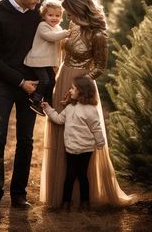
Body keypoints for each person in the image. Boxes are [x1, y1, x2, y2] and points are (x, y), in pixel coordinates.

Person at [40, 0, 137, 208]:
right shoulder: (73, 27)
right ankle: (61, 195)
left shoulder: (98, 35)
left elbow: (100, 67)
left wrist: (79, 84)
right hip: (62, 77)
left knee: (80, 131)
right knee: (62, 129)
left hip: (82, 86)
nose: (67, 17)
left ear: (79, 9)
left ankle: (83, 195)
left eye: (70, 13)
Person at [0, 0, 46, 212]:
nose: (37, 3)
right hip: (2, 86)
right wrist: (20, 81)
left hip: (30, 87)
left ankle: (19, 194)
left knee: (26, 140)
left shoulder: (36, 14)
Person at [41, 75, 105, 211]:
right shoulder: (69, 108)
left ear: (82, 92)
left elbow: (96, 128)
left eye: (73, 89)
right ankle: (66, 203)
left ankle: (85, 203)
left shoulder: (91, 110)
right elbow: (58, 119)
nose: (70, 91)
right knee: (70, 176)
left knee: (82, 176)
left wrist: (100, 143)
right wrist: (48, 109)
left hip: (86, 149)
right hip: (71, 149)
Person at [24, 0, 70, 116]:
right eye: (50, 15)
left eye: (57, 15)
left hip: (47, 62)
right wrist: (66, 33)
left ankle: (48, 102)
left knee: (51, 81)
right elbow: (51, 37)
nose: (54, 18)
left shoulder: (58, 28)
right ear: (44, 15)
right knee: (44, 80)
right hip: (37, 60)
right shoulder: (43, 26)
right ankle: (35, 101)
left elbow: (59, 44)